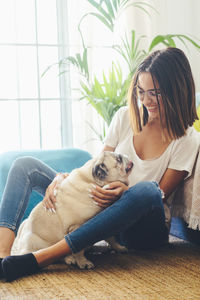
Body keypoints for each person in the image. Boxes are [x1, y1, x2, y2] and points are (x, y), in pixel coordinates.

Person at [0, 47, 199, 282]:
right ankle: (4, 255)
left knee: (147, 190)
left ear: (176, 91)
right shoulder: (125, 117)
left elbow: (161, 196)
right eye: (141, 92)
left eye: (154, 93)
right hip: (99, 207)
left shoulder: (187, 140)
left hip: (140, 230)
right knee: (26, 166)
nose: (146, 101)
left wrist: (126, 193)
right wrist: (63, 178)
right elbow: (95, 168)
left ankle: (41, 257)